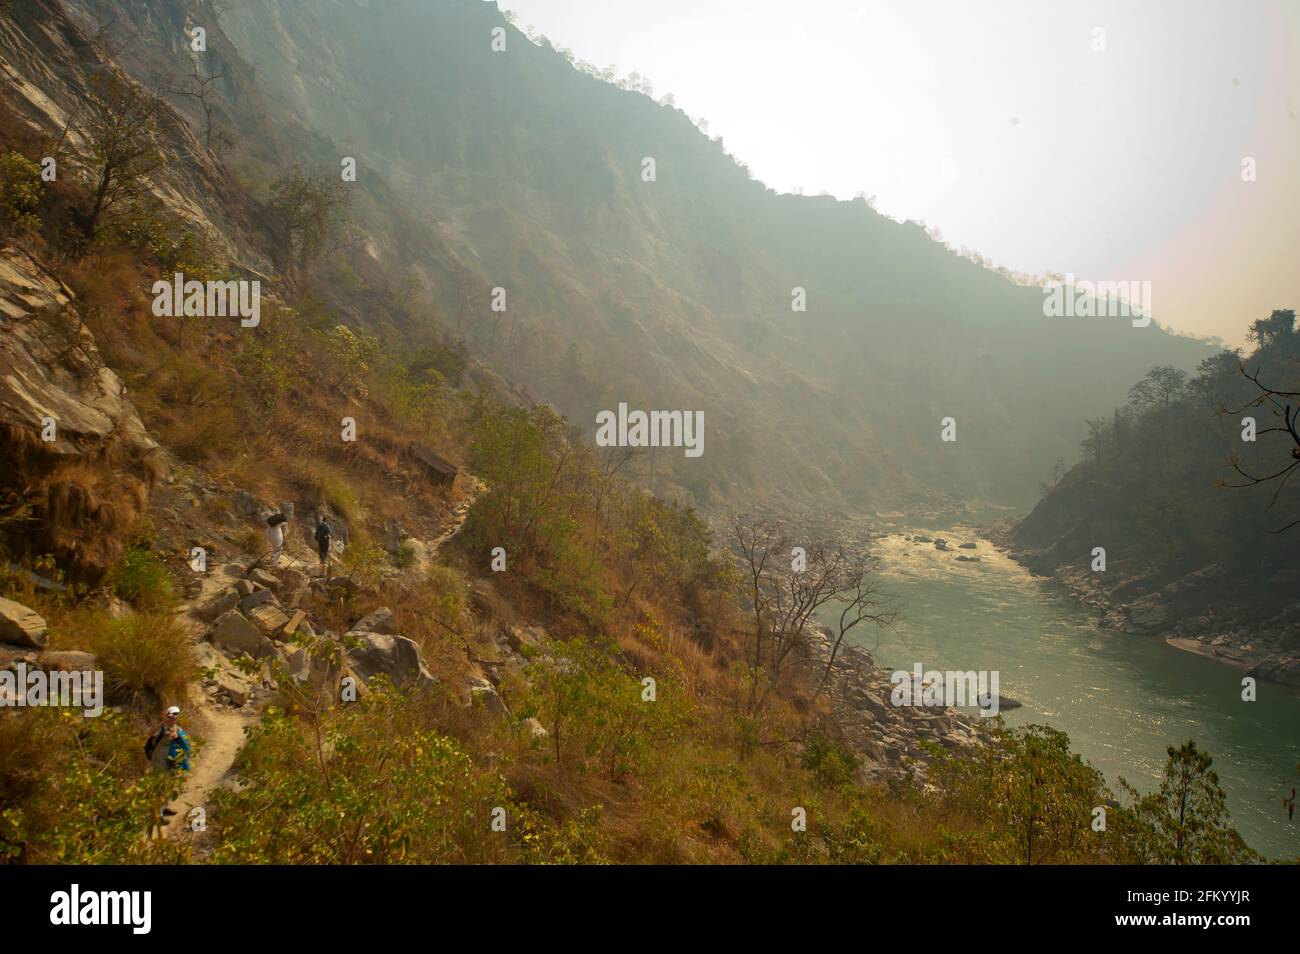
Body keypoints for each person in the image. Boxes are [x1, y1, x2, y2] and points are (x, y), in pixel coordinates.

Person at [145, 705, 191, 822]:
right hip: (159, 761)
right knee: (161, 787)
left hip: (170, 761)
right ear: (167, 715)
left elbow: (186, 743)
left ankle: (163, 808)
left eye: (176, 714)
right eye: (171, 714)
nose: (173, 716)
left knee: (168, 786)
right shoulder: (162, 728)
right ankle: (157, 816)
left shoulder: (178, 729)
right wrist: (163, 722)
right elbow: (149, 733)